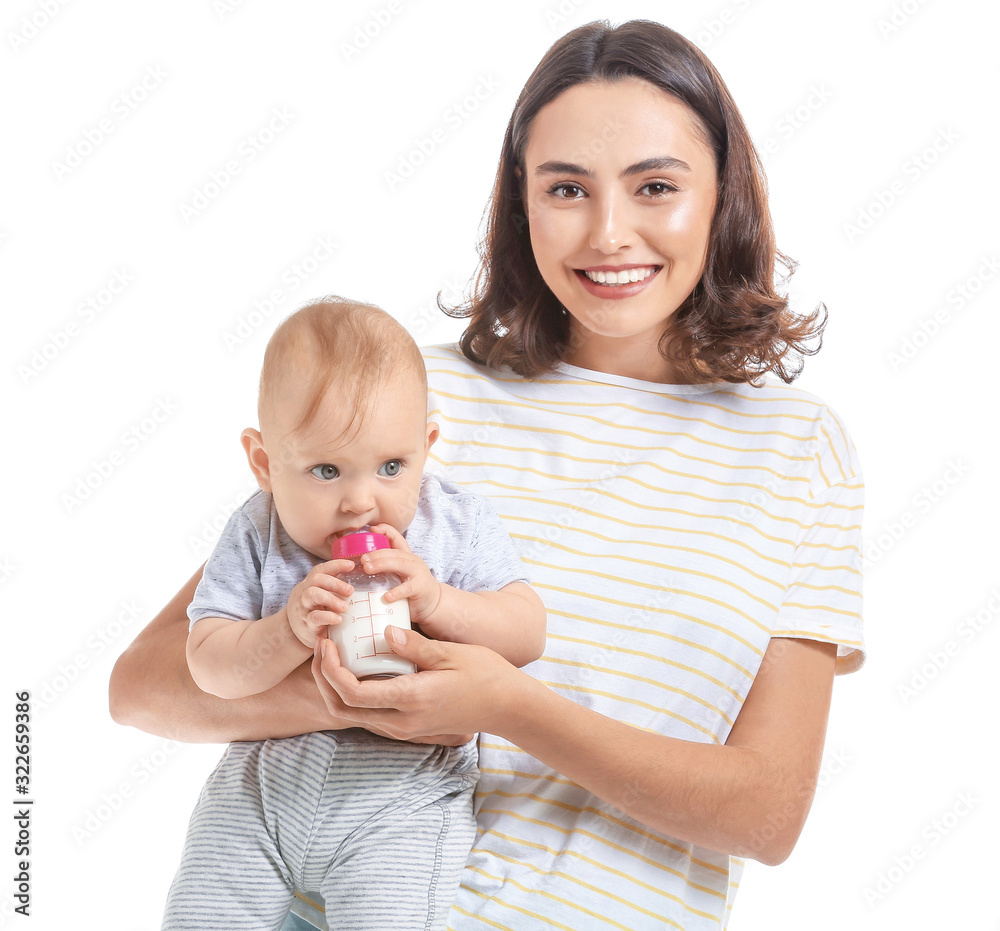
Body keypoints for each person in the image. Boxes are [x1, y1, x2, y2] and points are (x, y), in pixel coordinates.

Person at [111, 19, 864, 931]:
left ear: (723, 196)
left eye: (655, 186)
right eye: (566, 189)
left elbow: (768, 812)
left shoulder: (798, 451)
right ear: (522, 202)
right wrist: (365, 691)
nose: (608, 231)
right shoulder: (417, 405)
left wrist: (506, 707)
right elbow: (146, 685)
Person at [158, 298, 546, 930]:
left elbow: (527, 631)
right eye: (326, 471)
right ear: (264, 464)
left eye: (392, 467)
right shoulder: (257, 533)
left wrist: (437, 601)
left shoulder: (454, 524)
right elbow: (209, 666)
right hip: (260, 798)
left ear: (427, 445)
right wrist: (283, 632)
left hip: (401, 803)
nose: (361, 502)